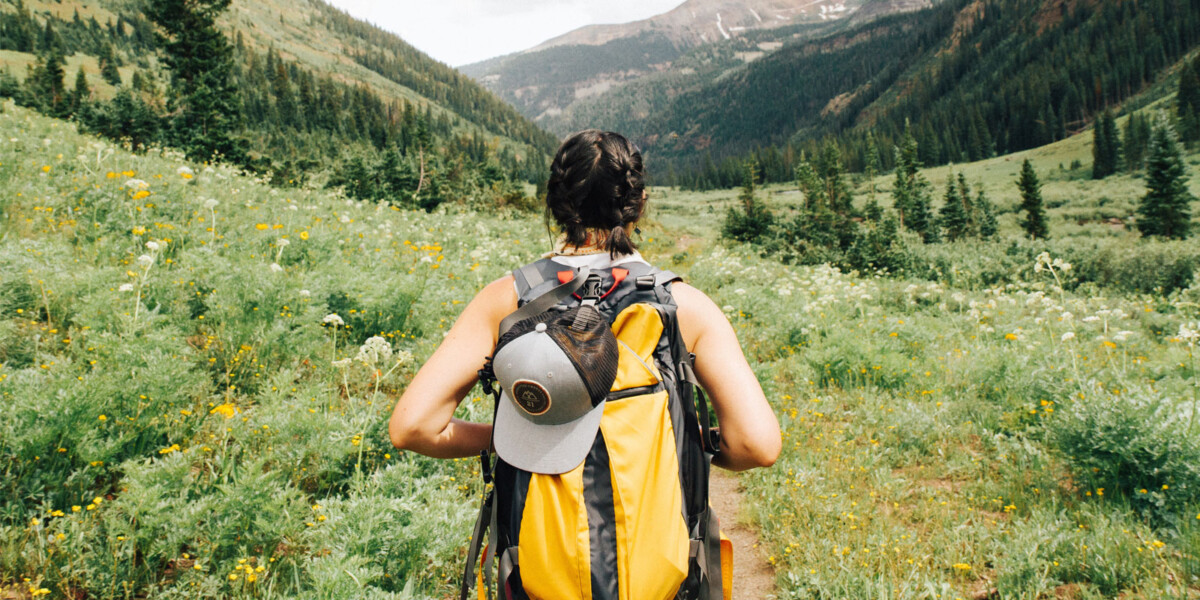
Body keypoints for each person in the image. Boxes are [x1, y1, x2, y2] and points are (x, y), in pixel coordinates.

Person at [388, 130, 780, 472]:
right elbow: (756, 446)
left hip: (535, 552)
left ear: (555, 205)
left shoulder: (507, 298)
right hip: (658, 554)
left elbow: (414, 427)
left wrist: (507, 439)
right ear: (639, 204)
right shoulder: (684, 304)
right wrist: (681, 442)